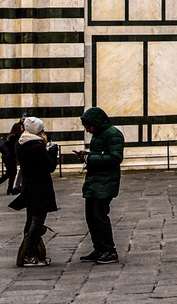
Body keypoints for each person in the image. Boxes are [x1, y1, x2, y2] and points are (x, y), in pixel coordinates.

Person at [77, 105, 124, 264]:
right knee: (90, 216)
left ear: (96, 122)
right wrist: (88, 155)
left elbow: (115, 158)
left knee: (99, 216)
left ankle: (110, 250)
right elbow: (100, 155)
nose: (88, 130)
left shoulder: (113, 134)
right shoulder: (98, 134)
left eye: (88, 126)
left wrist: (90, 159)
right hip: (94, 181)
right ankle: (99, 249)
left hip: (106, 181)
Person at [10, 116, 58, 267]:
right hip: (40, 187)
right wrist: (52, 152)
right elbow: (50, 167)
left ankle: (27, 253)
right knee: (37, 221)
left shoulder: (20, 143)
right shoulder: (36, 146)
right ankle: (29, 255)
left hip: (28, 186)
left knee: (30, 220)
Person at [0, 120, 23, 194]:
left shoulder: (10, 136)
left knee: (9, 173)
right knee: (12, 172)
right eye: (21, 128)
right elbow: (13, 148)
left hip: (7, 157)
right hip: (10, 157)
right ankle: (9, 189)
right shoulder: (15, 137)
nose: (22, 129)